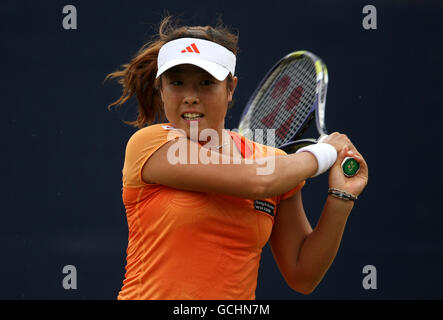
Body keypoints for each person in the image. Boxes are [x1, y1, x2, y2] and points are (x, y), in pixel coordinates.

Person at [105, 17, 368, 300]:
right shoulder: (151, 144)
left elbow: (303, 275)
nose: (190, 96)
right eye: (177, 82)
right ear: (161, 88)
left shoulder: (275, 162)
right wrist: (325, 152)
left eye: (206, 83)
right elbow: (260, 180)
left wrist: (340, 197)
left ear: (230, 88)